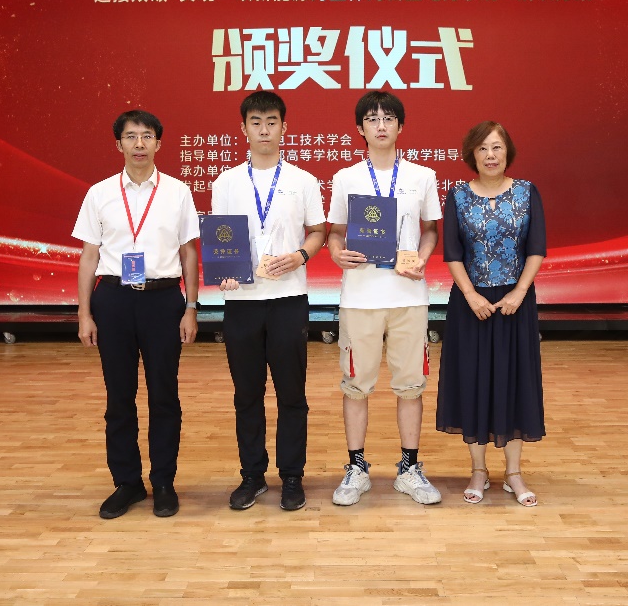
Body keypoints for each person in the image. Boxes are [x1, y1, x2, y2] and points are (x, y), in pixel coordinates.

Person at [73, 109, 200, 519]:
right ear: (119, 144)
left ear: (159, 143)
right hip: (113, 300)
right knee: (119, 397)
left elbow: (188, 253)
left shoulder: (178, 192)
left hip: (163, 302)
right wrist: (84, 313)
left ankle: (163, 482)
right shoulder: (99, 193)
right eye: (131, 136)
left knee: (164, 395)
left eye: (147, 136)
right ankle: (127, 483)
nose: (139, 144)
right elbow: (89, 255)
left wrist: (191, 307)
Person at [210, 90, 326, 512]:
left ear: (284, 127)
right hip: (242, 301)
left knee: (292, 393)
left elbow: (318, 231)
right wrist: (224, 269)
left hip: (288, 299)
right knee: (247, 394)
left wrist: (299, 256)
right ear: (243, 128)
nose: (264, 130)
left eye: (271, 122)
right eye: (256, 122)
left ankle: (292, 476)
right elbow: (222, 236)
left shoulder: (303, 180)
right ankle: (252, 475)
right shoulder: (225, 182)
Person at [326, 90, 442, 505]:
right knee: (356, 384)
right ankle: (356, 468)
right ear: (360, 128)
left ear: (400, 126)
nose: (380, 125)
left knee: (410, 385)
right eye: (372, 119)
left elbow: (431, 230)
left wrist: (422, 258)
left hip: (408, 295)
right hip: (360, 297)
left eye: (388, 118)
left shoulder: (422, 176)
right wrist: (337, 253)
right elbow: (335, 233)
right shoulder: (346, 178)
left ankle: (409, 468)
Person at [436, 120, 546, 507]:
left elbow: (536, 248)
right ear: (472, 155)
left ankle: (514, 474)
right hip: (471, 306)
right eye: (482, 148)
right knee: (474, 382)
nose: (490, 155)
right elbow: (452, 252)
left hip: (516, 304)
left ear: (507, 151)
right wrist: (471, 295)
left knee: (516, 382)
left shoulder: (527, 192)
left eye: (496, 147)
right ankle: (478, 470)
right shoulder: (457, 195)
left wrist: (519, 291)